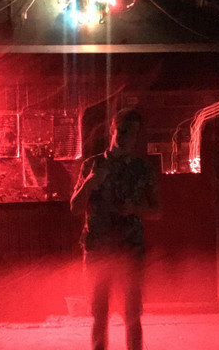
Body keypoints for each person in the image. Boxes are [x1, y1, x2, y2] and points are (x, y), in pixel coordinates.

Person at [70, 109, 161, 350]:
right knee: (99, 315)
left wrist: (134, 208)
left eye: (131, 133)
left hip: (130, 250)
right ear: (112, 130)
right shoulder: (93, 165)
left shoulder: (141, 169)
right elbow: (75, 208)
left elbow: (157, 211)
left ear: (136, 135)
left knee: (132, 315)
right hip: (98, 249)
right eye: (121, 131)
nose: (125, 136)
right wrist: (89, 183)